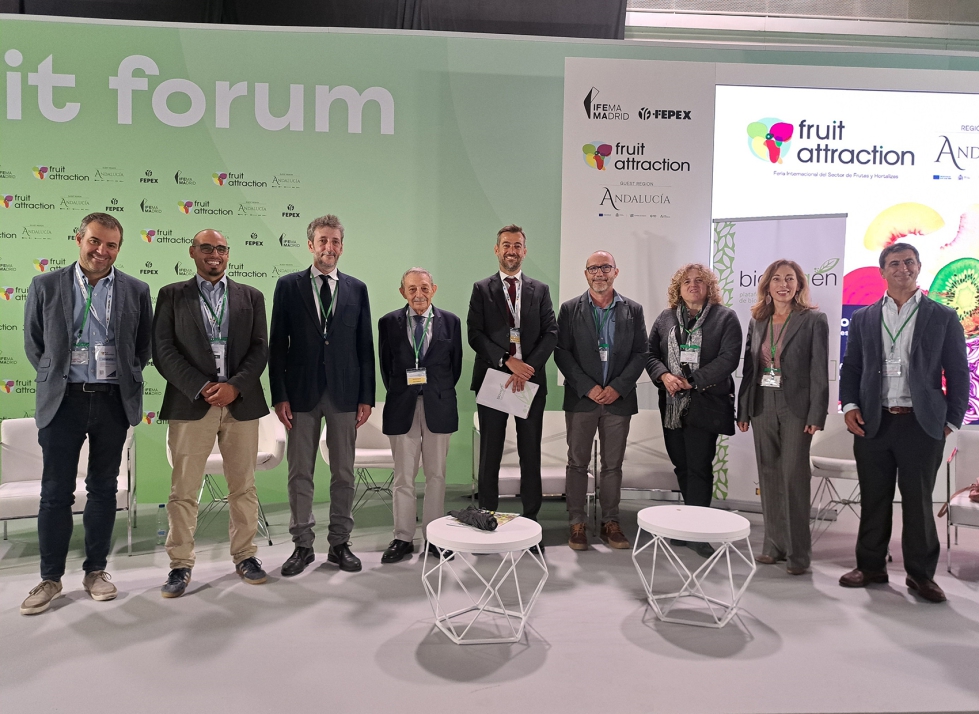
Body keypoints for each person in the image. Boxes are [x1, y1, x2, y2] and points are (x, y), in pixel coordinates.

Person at [21, 213, 152, 615]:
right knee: (56, 492)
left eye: (111, 245)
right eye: (95, 241)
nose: (102, 251)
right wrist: (58, 376)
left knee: (103, 488)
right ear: (79, 239)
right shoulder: (46, 285)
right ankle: (50, 578)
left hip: (113, 399)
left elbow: (143, 345)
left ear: (118, 248)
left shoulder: (136, 289)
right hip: (64, 400)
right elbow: (34, 343)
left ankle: (96, 570)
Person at [839, 242, 968, 603]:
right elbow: (852, 367)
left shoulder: (942, 316)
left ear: (919, 267)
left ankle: (921, 575)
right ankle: (870, 566)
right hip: (874, 422)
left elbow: (958, 374)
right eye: (893, 263)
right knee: (874, 499)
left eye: (909, 262)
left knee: (918, 502)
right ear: (882, 272)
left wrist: (951, 421)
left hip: (921, 424)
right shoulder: (865, 317)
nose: (902, 268)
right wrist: (849, 405)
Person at [152, 229, 270, 597]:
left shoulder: (251, 297)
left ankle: (245, 556)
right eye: (207, 248)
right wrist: (202, 387)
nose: (214, 255)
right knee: (184, 490)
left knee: (243, 488)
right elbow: (163, 350)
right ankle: (180, 565)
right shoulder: (172, 295)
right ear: (193, 252)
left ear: (228, 254)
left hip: (241, 404)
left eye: (221, 249)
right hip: (191, 404)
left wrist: (236, 384)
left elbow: (259, 348)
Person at [270, 215, 375, 575]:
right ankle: (302, 546)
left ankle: (340, 544)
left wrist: (367, 397)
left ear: (341, 247)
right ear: (310, 244)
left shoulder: (357, 289)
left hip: (346, 395)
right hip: (300, 395)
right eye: (322, 241)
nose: (329, 247)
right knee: (300, 473)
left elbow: (365, 347)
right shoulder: (288, 287)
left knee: (344, 473)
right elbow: (277, 347)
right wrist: (279, 396)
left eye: (335, 241)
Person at [737, 259, 828, 575]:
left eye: (790, 279)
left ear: (799, 285)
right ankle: (773, 546)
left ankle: (799, 555)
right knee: (769, 477)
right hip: (762, 404)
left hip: (796, 409)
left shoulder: (814, 320)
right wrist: (744, 409)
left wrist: (817, 413)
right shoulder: (758, 320)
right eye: (777, 279)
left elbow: (819, 371)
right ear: (767, 286)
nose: (783, 284)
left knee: (793, 478)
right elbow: (749, 369)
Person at [645, 263, 741, 558]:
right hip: (672, 404)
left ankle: (700, 530)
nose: (693, 284)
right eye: (687, 281)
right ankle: (687, 524)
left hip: (706, 402)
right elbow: (649, 354)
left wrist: (691, 381)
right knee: (682, 466)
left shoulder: (725, 318)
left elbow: (729, 359)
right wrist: (664, 376)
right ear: (678, 288)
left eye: (700, 280)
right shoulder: (665, 318)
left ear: (709, 286)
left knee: (699, 466)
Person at [554, 251, 647, 551]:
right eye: (593, 268)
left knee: (612, 465)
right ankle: (577, 523)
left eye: (605, 267)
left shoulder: (633, 310)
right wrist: (588, 387)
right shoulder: (569, 309)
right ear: (586, 274)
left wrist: (618, 388)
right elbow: (561, 352)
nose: (599, 273)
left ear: (615, 272)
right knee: (577, 463)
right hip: (582, 399)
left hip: (618, 400)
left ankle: (611, 522)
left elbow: (640, 353)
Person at [468, 224, 558, 527]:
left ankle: (531, 520)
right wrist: (508, 361)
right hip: (495, 380)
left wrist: (527, 368)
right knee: (490, 453)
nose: (512, 251)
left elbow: (551, 333)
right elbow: (475, 335)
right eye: (506, 245)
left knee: (530, 454)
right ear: (497, 250)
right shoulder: (482, 289)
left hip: (529, 383)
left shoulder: (540, 290)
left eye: (517, 245)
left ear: (525, 251)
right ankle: (488, 517)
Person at [377, 268, 463, 563]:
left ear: (433, 289)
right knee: (403, 476)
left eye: (424, 288)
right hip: (402, 405)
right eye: (412, 289)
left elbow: (456, 367)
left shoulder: (451, 322)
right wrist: (408, 393)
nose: (419, 295)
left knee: (436, 474)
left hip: (439, 404)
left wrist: (433, 391)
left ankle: (435, 537)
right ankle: (402, 537)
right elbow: (386, 367)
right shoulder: (388, 323)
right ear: (402, 292)